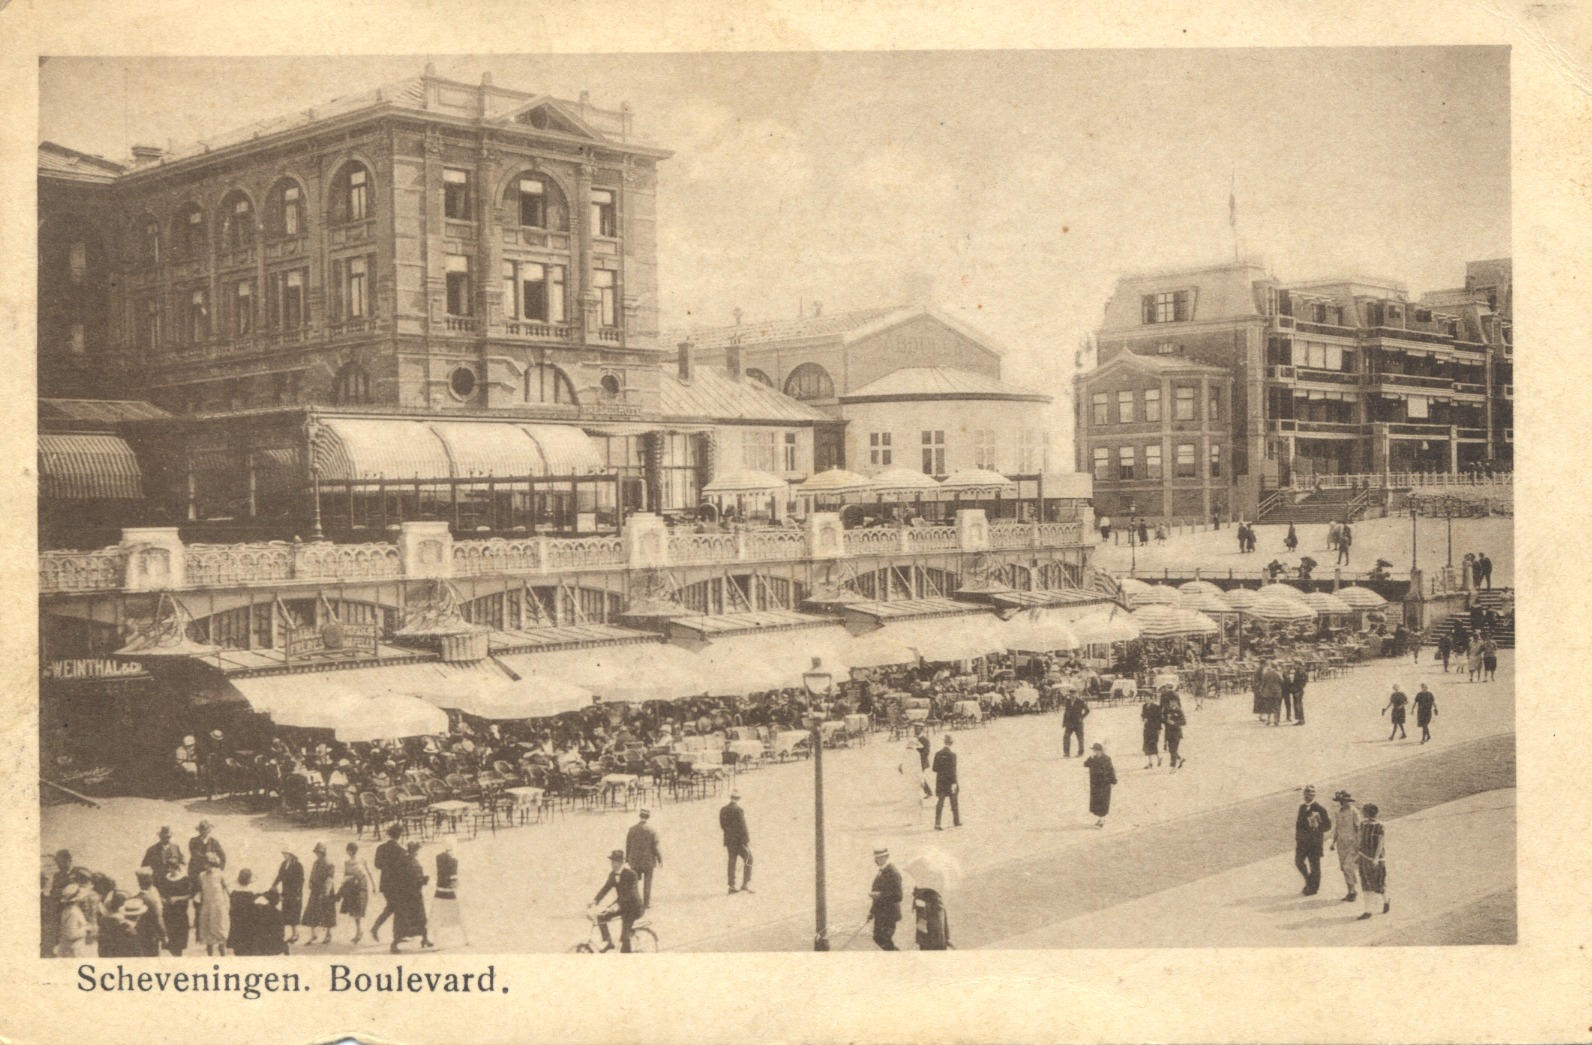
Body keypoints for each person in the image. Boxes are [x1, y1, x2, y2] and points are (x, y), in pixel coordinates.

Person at [591, 848, 643, 953]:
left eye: (615, 862)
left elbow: (630, 894)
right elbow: (605, 888)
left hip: (634, 908)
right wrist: (595, 901)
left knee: (625, 937)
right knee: (601, 917)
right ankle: (609, 942)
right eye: (612, 862)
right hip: (622, 905)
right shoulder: (612, 874)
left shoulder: (631, 874)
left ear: (621, 862)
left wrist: (616, 906)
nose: (613, 865)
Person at [388, 841, 432, 953]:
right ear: (414, 851)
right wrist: (423, 880)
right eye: (417, 851)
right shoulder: (409, 862)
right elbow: (410, 879)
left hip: (412, 895)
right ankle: (394, 944)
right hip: (410, 895)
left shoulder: (406, 861)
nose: (417, 853)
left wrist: (422, 880)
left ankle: (425, 939)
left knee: (418, 919)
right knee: (407, 920)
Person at [369, 824, 404, 942]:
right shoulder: (401, 850)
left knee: (393, 907)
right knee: (395, 908)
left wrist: (387, 867)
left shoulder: (381, 848)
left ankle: (396, 934)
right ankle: (394, 935)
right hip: (397, 884)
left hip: (384, 883)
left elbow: (377, 865)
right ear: (400, 835)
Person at [1294, 785, 1332, 896]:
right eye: (1306, 793)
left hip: (1314, 843)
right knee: (1298, 862)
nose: (1308, 795)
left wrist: (1317, 827)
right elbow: (1298, 825)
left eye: (1311, 793)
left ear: (1314, 795)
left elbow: (1328, 826)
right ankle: (1309, 881)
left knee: (1314, 866)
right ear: (1304, 795)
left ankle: (1313, 888)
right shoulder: (1301, 807)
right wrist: (1298, 839)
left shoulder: (1320, 809)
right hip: (1302, 843)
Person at [1355, 803, 1389, 919]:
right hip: (1363, 858)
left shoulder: (1380, 826)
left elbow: (1380, 843)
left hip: (1376, 860)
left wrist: (1375, 859)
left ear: (1369, 812)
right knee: (1365, 883)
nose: (1363, 813)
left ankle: (1386, 900)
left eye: (1364, 811)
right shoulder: (1363, 824)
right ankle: (1368, 911)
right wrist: (1358, 855)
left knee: (1378, 884)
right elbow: (1360, 840)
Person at [866, 846, 904, 951]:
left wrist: (879, 895)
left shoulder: (893, 873)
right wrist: (871, 912)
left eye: (878, 858)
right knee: (878, 938)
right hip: (880, 913)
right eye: (875, 858)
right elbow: (877, 894)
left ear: (886, 857)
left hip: (889, 914)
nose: (875, 861)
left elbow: (898, 896)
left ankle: (899, 958)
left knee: (883, 939)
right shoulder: (882, 871)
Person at [338, 841, 376, 945]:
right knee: (355, 911)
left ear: (349, 851)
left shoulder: (359, 860)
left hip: (360, 887)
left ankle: (359, 932)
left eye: (349, 850)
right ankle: (359, 932)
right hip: (354, 887)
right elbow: (347, 875)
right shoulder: (349, 862)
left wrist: (374, 886)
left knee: (358, 911)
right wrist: (373, 886)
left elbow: (367, 872)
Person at [625, 809, 663, 910]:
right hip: (648, 861)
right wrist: (660, 859)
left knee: (634, 882)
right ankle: (646, 904)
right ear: (648, 817)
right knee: (647, 882)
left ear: (640, 816)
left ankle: (635, 903)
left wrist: (627, 858)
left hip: (634, 860)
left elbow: (628, 845)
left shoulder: (632, 829)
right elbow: (656, 847)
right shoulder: (652, 830)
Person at [302, 842, 339, 945]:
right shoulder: (316, 863)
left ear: (323, 853)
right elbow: (312, 873)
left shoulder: (329, 863)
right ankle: (313, 934)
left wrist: (325, 892)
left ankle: (328, 934)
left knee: (328, 913)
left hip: (326, 890)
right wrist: (310, 881)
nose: (317, 854)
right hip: (315, 889)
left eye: (319, 852)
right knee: (311, 911)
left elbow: (330, 878)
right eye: (316, 852)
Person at [194, 852, 230, 956]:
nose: (206, 865)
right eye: (205, 863)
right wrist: (197, 897)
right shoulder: (201, 876)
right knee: (208, 937)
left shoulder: (220, 874)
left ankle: (224, 959)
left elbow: (228, 890)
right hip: (207, 907)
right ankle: (210, 959)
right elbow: (201, 890)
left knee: (220, 935)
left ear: (213, 863)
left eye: (208, 863)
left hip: (219, 907)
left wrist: (228, 905)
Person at [1330, 790, 1363, 902]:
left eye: (1345, 801)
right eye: (1342, 801)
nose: (1344, 803)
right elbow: (1337, 828)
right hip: (1341, 844)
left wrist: (1359, 844)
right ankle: (1350, 891)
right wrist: (1333, 842)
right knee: (1344, 868)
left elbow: (1359, 828)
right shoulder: (1338, 812)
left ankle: (1353, 891)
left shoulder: (1354, 812)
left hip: (1352, 844)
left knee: (1348, 867)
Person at [432, 840, 466, 947]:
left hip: (439, 891)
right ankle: (466, 939)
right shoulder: (454, 861)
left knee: (436, 917)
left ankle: (436, 943)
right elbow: (454, 881)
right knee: (459, 916)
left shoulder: (438, 858)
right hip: (450, 892)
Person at [720, 790, 753, 894]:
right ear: (738, 799)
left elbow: (723, 825)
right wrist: (746, 840)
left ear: (730, 797)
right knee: (749, 859)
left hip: (729, 840)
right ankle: (745, 884)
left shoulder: (723, 809)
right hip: (739, 841)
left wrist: (729, 834)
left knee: (732, 862)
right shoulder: (739, 810)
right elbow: (743, 826)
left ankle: (731, 886)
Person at [270, 849, 304, 945]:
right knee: (286, 913)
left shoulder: (298, 865)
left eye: (286, 854)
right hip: (285, 892)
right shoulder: (284, 864)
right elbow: (280, 876)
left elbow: (301, 881)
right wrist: (274, 885)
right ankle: (287, 935)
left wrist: (299, 894)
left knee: (294, 914)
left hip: (294, 893)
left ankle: (295, 934)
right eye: (283, 853)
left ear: (291, 855)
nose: (284, 855)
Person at [131, 869, 166, 957]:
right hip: (151, 934)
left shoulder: (134, 897)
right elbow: (158, 917)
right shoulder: (152, 897)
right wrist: (164, 935)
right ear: (151, 882)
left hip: (138, 933)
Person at [160, 867, 193, 956]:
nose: (170, 870)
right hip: (168, 913)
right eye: (169, 867)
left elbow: (190, 895)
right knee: (171, 940)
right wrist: (163, 899)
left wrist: (177, 898)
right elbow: (160, 893)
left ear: (177, 867)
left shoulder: (184, 879)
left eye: (172, 868)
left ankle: (178, 957)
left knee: (179, 942)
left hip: (180, 914)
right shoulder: (165, 879)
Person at [931, 734, 961, 830]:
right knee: (954, 802)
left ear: (944, 742)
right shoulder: (953, 755)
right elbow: (953, 771)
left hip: (940, 781)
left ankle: (937, 823)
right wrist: (955, 783)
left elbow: (934, 769)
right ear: (951, 743)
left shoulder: (938, 754)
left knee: (940, 802)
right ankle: (956, 821)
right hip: (950, 781)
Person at [1083, 742, 1117, 828]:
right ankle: (1100, 819)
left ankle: (1102, 820)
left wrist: (1113, 781)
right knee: (1097, 802)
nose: (1094, 752)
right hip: (1095, 784)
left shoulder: (1106, 759)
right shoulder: (1093, 758)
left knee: (1103, 802)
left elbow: (1110, 770)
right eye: (1093, 750)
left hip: (1104, 784)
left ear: (1100, 751)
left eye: (1095, 750)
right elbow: (1085, 764)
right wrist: (1090, 758)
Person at [1160, 689, 1187, 770]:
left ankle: (1173, 766)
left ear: (1177, 702)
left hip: (1176, 733)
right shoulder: (1166, 710)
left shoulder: (1179, 711)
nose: (1172, 703)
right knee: (1171, 750)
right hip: (1168, 732)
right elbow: (1163, 719)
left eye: (1174, 701)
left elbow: (1184, 722)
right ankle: (1180, 759)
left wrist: (1174, 722)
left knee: (1173, 749)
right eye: (1170, 701)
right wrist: (1165, 721)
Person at [1061, 690, 1089, 758]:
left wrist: (1081, 717)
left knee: (1080, 738)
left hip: (1078, 723)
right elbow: (1066, 712)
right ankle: (1066, 753)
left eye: (1074, 694)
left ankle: (1080, 753)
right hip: (1070, 723)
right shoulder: (1067, 702)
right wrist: (1064, 722)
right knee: (1066, 737)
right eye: (1071, 694)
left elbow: (1087, 710)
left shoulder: (1080, 701)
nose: (1072, 696)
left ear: (1076, 694)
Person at [1139, 694, 1163, 768]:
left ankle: (1158, 758)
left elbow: (1159, 719)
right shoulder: (1144, 706)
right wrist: (1144, 719)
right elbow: (1143, 715)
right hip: (1147, 728)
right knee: (1147, 745)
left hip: (1154, 728)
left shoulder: (1156, 707)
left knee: (1153, 745)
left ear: (1152, 699)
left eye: (1148, 699)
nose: (1147, 700)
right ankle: (1150, 762)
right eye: (1146, 699)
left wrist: (1159, 729)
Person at [913, 726, 933, 798]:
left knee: (919, 777)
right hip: (914, 761)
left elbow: (926, 752)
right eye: (915, 729)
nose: (915, 730)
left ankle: (928, 792)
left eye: (917, 729)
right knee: (917, 776)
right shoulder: (914, 738)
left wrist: (917, 755)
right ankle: (927, 791)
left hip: (922, 761)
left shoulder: (925, 739)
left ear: (921, 730)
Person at [1289, 660, 1309, 726]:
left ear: (1298, 664)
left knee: (1298, 705)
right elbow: (1305, 679)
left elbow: (1300, 682)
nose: (1294, 665)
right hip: (1299, 690)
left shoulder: (1299, 671)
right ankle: (1301, 720)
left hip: (1298, 690)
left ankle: (1301, 720)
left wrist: (1299, 689)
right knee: (1299, 704)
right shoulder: (1301, 671)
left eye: (1295, 664)